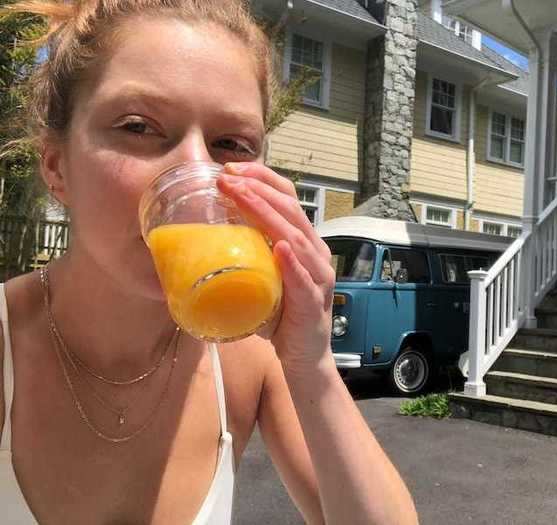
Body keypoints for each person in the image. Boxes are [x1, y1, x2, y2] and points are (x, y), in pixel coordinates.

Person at [0, 1, 419, 523]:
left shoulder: (247, 359)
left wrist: (311, 365)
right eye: (138, 126)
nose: (198, 174)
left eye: (230, 144)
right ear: (57, 166)